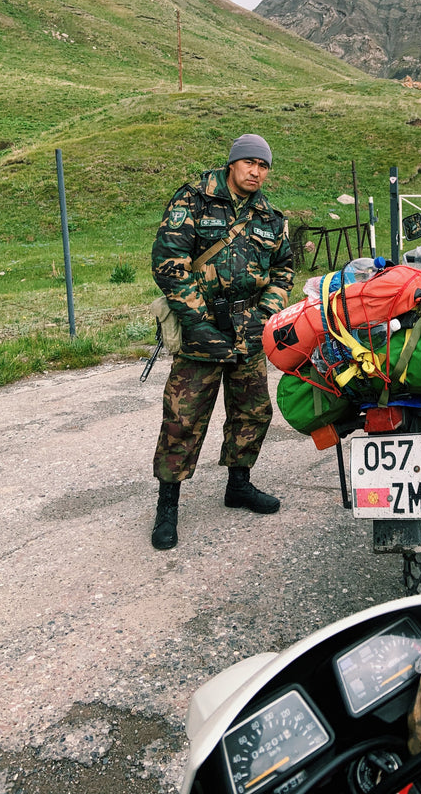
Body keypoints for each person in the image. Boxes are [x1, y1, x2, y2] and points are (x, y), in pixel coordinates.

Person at [149, 134, 294, 550]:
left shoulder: (270, 216)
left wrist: (265, 315)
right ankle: (168, 507)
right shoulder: (193, 200)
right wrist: (198, 323)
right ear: (232, 164)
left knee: (252, 412)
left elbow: (283, 270)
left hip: (248, 330)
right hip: (201, 330)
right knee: (183, 419)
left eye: (263, 165)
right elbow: (168, 263)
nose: (256, 171)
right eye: (249, 162)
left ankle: (239, 485)